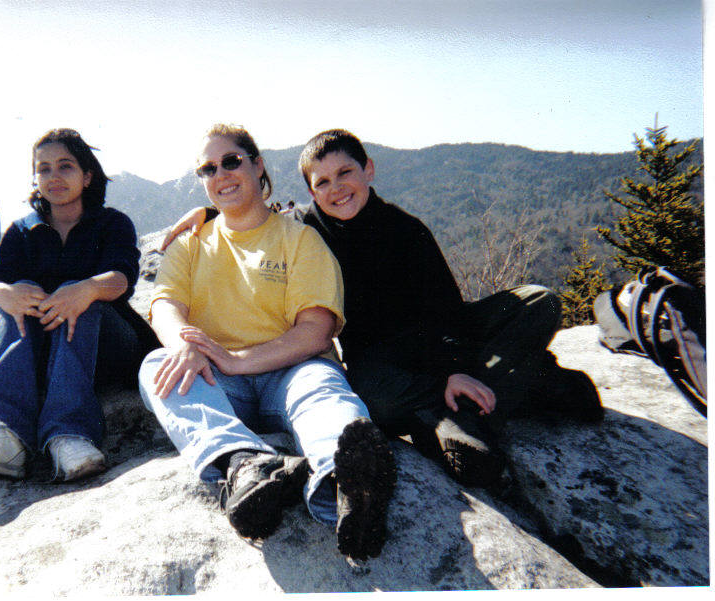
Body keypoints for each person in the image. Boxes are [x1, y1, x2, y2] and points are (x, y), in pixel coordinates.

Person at [162, 128, 603, 488]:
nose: (337, 189)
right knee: (370, 399)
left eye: (345, 173)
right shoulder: (304, 228)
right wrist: (204, 211)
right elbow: (253, 214)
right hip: (380, 359)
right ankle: (521, 388)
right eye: (322, 182)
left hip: (439, 340)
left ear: (368, 170)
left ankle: (450, 410)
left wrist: (451, 369)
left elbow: (446, 311)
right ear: (311, 191)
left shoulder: (406, 231)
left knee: (539, 301)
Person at [139, 124, 396, 560]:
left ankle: (347, 486)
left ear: (257, 165)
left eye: (232, 161)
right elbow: (165, 304)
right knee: (156, 367)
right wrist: (183, 344)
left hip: (292, 368)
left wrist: (239, 359)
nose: (220, 173)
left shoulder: (300, 239)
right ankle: (245, 466)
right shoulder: (191, 243)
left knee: (322, 390)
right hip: (218, 375)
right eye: (208, 168)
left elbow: (314, 330)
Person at [0, 129, 156, 481]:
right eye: (44, 169)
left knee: (78, 292)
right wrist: (0, 294)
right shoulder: (23, 231)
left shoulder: (111, 223)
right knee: (18, 290)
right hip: (43, 355)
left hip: (109, 348)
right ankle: (2, 435)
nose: (53, 177)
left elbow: (122, 278)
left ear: (87, 176)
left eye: (65, 166)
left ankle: (69, 434)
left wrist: (86, 289)